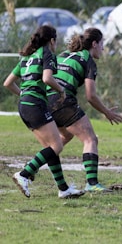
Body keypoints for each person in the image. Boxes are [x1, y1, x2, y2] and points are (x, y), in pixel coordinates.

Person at [3, 25, 85, 199]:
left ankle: (63, 189)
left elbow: (8, 83)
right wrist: (61, 91)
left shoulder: (27, 58)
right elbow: (47, 78)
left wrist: (24, 94)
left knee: (51, 148)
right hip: (36, 105)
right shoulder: (46, 53)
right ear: (52, 40)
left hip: (24, 105)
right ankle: (24, 174)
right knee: (57, 146)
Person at [47, 27, 122, 192]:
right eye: (102, 44)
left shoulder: (62, 55)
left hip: (45, 100)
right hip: (62, 101)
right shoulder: (88, 60)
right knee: (90, 139)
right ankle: (92, 184)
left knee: (64, 136)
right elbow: (91, 96)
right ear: (94, 44)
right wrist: (107, 112)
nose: (103, 48)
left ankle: (28, 170)